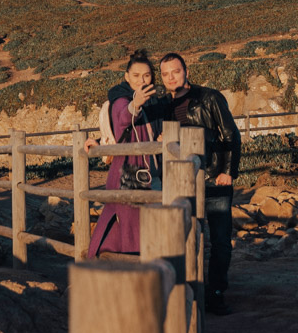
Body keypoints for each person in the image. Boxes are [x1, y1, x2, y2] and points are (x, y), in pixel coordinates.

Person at [159, 52, 241, 315]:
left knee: (219, 240)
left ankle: (215, 294)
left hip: (214, 178)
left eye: (176, 71)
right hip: (181, 182)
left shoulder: (210, 97)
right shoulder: (163, 105)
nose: (171, 77)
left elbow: (231, 135)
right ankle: (188, 293)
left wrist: (228, 171)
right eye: (165, 74)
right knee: (184, 237)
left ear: (186, 71)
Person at [87, 50, 164, 258]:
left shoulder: (153, 102)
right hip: (129, 173)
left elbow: (131, 132)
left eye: (146, 75)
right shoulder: (121, 99)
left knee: (144, 228)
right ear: (126, 76)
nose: (142, 80)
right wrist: (135, 104)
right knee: (132, 231)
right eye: (136, 75)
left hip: (149, 173)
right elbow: (122, 119)